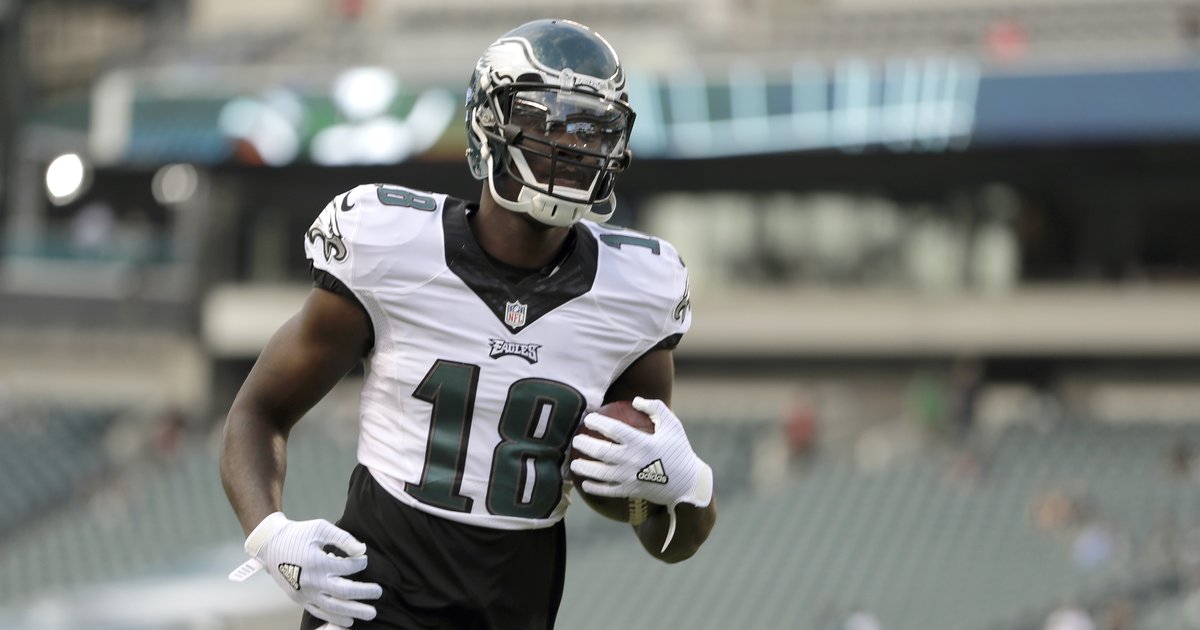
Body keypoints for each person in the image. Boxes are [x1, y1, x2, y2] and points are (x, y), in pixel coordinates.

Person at [219, 18, 717, 630]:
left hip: (515, 608)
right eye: (546, 120)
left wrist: (689, 485)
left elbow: (665, 536)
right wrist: (268, 534)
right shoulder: (390, 243)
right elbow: (257, 412)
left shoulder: (636, 291)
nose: (573, 145)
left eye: (593, 128)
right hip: (375, 604)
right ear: (490, 124)